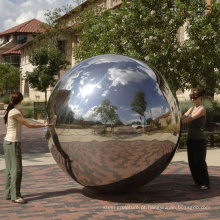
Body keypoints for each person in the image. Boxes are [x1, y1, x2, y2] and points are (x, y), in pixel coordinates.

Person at [3, 91, 52, 204]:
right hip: (13, 143)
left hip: (8, 142)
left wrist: (22, 115)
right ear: (20, 100)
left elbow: (17, 124)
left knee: (10, 170)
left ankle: (9, 193)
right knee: (17, 170)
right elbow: (29, 125)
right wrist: (44, 125)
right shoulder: (15, 112)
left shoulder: (10, 111)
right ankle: (16, 195)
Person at [181, 88, 210, 190]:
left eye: (195, 97)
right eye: (191, 97)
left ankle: (205, 183)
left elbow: (190, 118)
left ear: (200, 97)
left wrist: (182, 121)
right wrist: (177, 112)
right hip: (191, 138)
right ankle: (197, 180)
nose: (193, 99)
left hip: (199, 139)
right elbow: (183, 117)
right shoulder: (192, 108)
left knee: (200, 161)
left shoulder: (202, 109)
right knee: (192, 161)